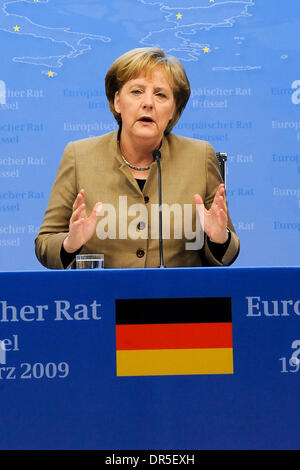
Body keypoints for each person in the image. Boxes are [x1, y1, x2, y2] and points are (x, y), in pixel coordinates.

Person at [35, 47, 240, 269]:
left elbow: (229, 253)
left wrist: (220, 239)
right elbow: (45, 244)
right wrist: (69, 244)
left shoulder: (200, 156)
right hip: (103, 299)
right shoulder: (79, 156)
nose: (148, 103)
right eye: (136, 92)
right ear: (117, 102)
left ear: (173, 110)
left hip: (178, 298)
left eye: (161, 94)